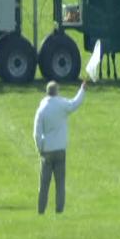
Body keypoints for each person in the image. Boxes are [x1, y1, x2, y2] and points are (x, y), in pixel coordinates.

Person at [33, 79, 87, 215]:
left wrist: (40, 148)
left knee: (44, 184)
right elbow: (75, 103)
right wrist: (82, 89)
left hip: (47, 150)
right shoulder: (61, 104)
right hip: (60, 150)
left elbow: (36, 133)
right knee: (60, 183)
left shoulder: (42, 109)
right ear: (56, 91)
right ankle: (59, 210)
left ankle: (41, 210)